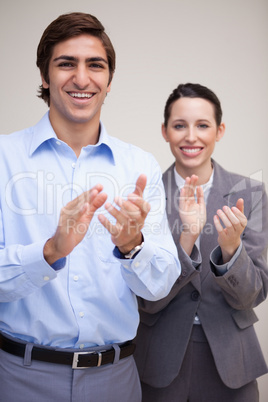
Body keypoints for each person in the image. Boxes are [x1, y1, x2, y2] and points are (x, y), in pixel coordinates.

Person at [0, 12, 181, 402]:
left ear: (109, 81)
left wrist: (133, 246)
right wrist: (50, 252)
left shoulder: (139, 166)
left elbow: (160, 284)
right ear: (45, 77)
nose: (82, 79)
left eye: (95, 65)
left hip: (115, 381)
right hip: (19, 379)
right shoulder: (3, 159)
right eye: (66, 64)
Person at [134, 83, 268, 401]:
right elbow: (144, 299)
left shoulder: (250, 194)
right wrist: (186, 240)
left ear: (219, 130)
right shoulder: (145, 197)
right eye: (179, 125)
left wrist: (232, 250)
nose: (191, 137)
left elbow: (252, 295)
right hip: (158, 361)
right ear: (165, 131)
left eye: (203, 125)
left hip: (231, 360)